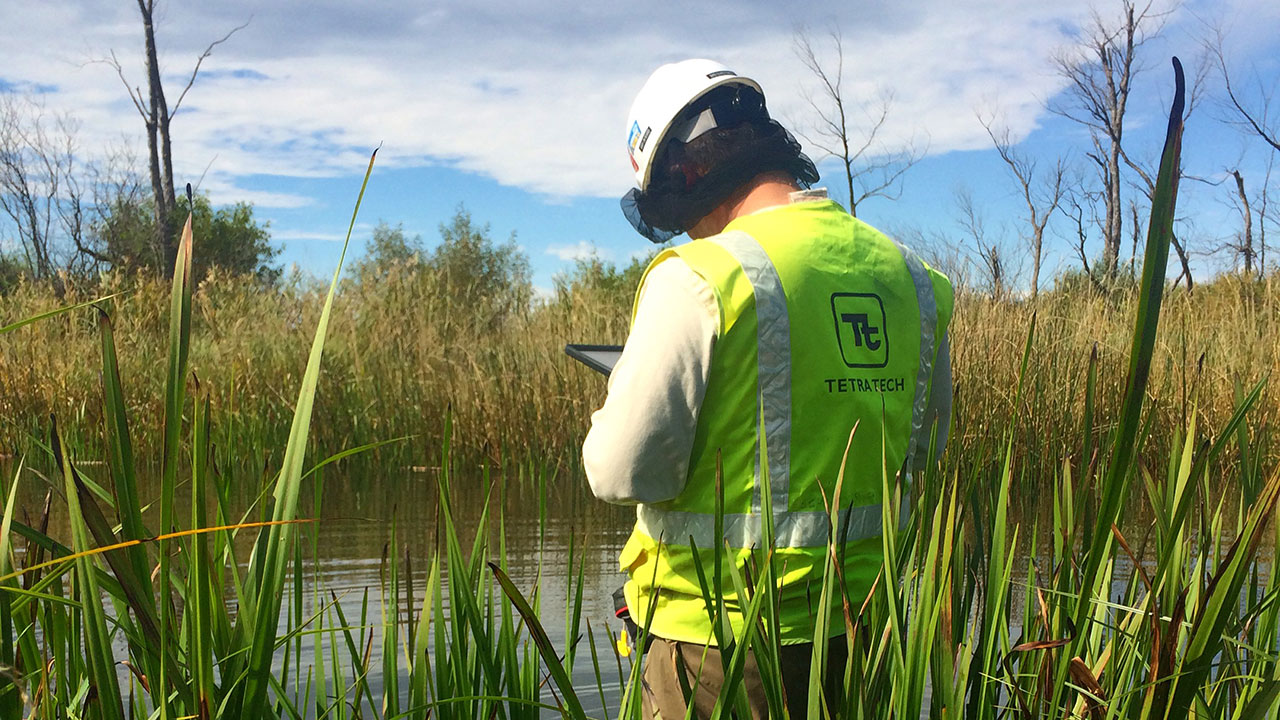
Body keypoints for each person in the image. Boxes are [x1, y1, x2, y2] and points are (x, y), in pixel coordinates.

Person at [583, 59, 953, 719]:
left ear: (683, 170)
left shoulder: (700, 275)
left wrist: (610, 416)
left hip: (718, 647)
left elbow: (620, 470)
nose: (684, 226)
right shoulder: (915, 281)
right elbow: (923, 445)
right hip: (866, 631)